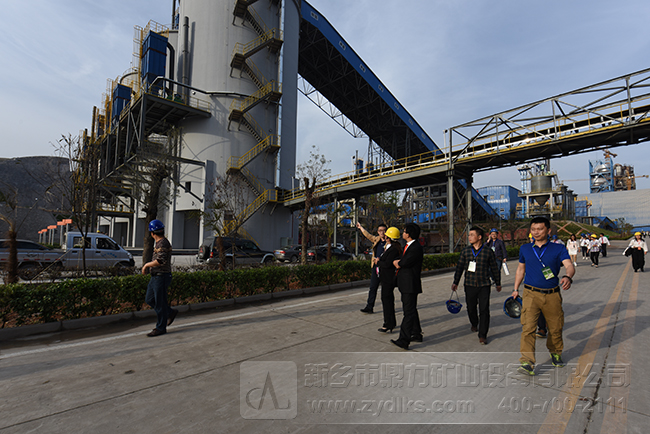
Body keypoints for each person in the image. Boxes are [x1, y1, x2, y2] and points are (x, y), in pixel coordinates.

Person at [512, 216, 575, 376]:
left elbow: (569, 265)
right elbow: (521, 269)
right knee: (528, 328)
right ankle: (527, 362)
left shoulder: (558, 248)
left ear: (548, 231)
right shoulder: (525, 248)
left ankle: (555, 352)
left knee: (555, 327)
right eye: (533, 229)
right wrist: (515, 288)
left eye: (540, 229)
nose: (536, 232)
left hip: (552, 295)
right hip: (530, 294)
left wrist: (568, 276)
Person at [452, 227, 502, 344]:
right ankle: (474, 323)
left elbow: (494, 268)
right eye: (469, 235)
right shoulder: (465, 251)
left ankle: (483, 334)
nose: (469, 237)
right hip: (469, 284)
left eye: (472, 235)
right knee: (471, 307)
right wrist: (455, 282)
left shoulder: (488, 252)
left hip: (484, 285)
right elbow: (459, 268)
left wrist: (498, 283)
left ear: (479, 237)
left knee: (484, 309)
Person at [390, 223, 424, 350]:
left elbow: (404, 262)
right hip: (405, 284)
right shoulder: (408, 246)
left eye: (404, 231)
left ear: (409, 234)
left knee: (408, 313)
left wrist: (397, 263)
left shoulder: (415, 248)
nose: (402, 233)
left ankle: (404, 340)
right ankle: (416, 333)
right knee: (411, 309)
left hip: (410, 284)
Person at [142, 219, 177, 337]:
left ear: (152, 233)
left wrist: (146, 265)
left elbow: (160, 260)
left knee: (160, 302)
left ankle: (160, 327)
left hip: (161, 276)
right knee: (149, 299)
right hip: (155, 277)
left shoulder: (163, 244)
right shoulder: (159, 243)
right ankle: (169, 312)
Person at [356, 222, 388, 314]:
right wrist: (360, 227)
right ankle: (369, 307)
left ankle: (388, 308)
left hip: (385, 268)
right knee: (373, 288)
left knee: (386, 290)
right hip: (375, 268)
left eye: (384, 230)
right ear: (378, 232)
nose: (382, 232)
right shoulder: (377, 239)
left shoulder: (389, 242)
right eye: (380, 230)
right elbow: (368, 235)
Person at [375, 227, 402, 333]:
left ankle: (388, 324)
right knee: (388, 300)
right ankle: (391, 322)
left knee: (387, 301)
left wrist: (378, 262)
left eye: (386, 235)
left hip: (388, 278)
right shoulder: (390, 247)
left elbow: (387, 264)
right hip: (386, 278)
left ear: (389, 237)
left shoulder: (393, 249)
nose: (384, 236)